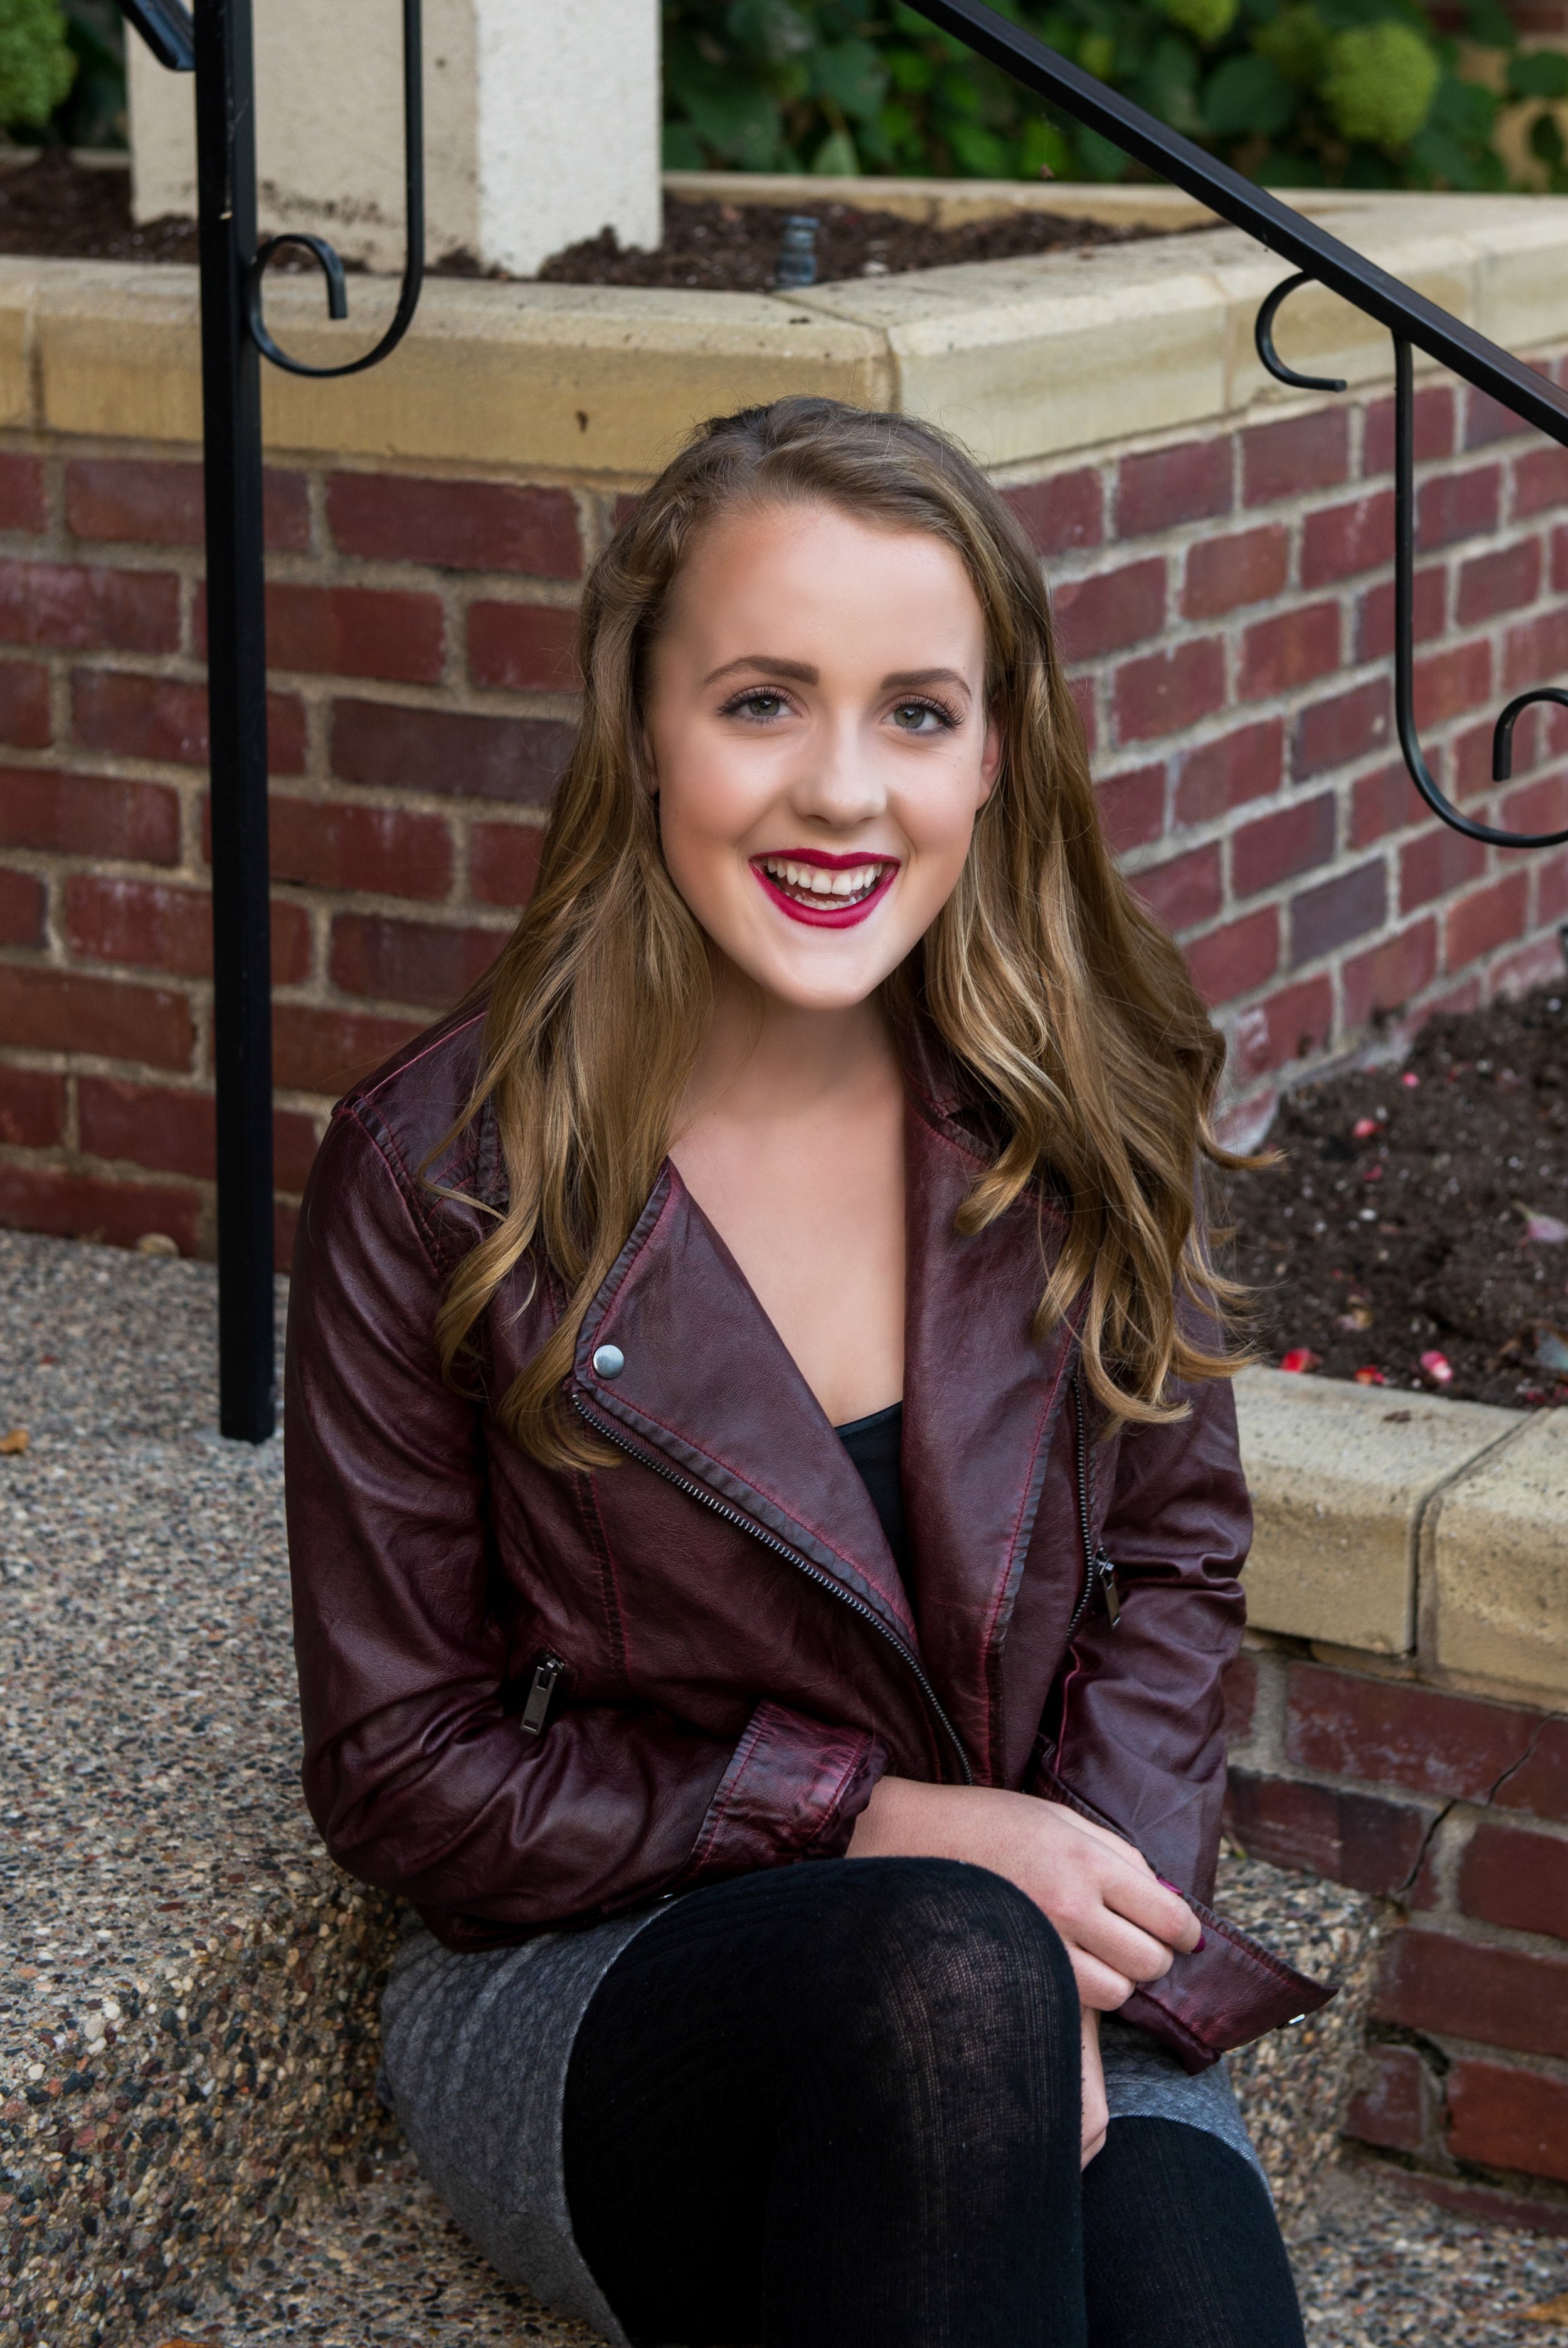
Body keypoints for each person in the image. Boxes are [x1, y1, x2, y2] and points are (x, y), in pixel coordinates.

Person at [285, 397, 1324, 2348]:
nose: (842, 791)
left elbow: (1174, 1567)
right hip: (609, 1961)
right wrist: (861, 1819)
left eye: (914, 713)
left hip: (1026, 1918)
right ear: (641, 730)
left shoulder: (1081, 1106)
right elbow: (406, 1774)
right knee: (942, 1970)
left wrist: (1079, 1923)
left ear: (993, 754)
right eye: (762, 701)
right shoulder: (440, 1178)